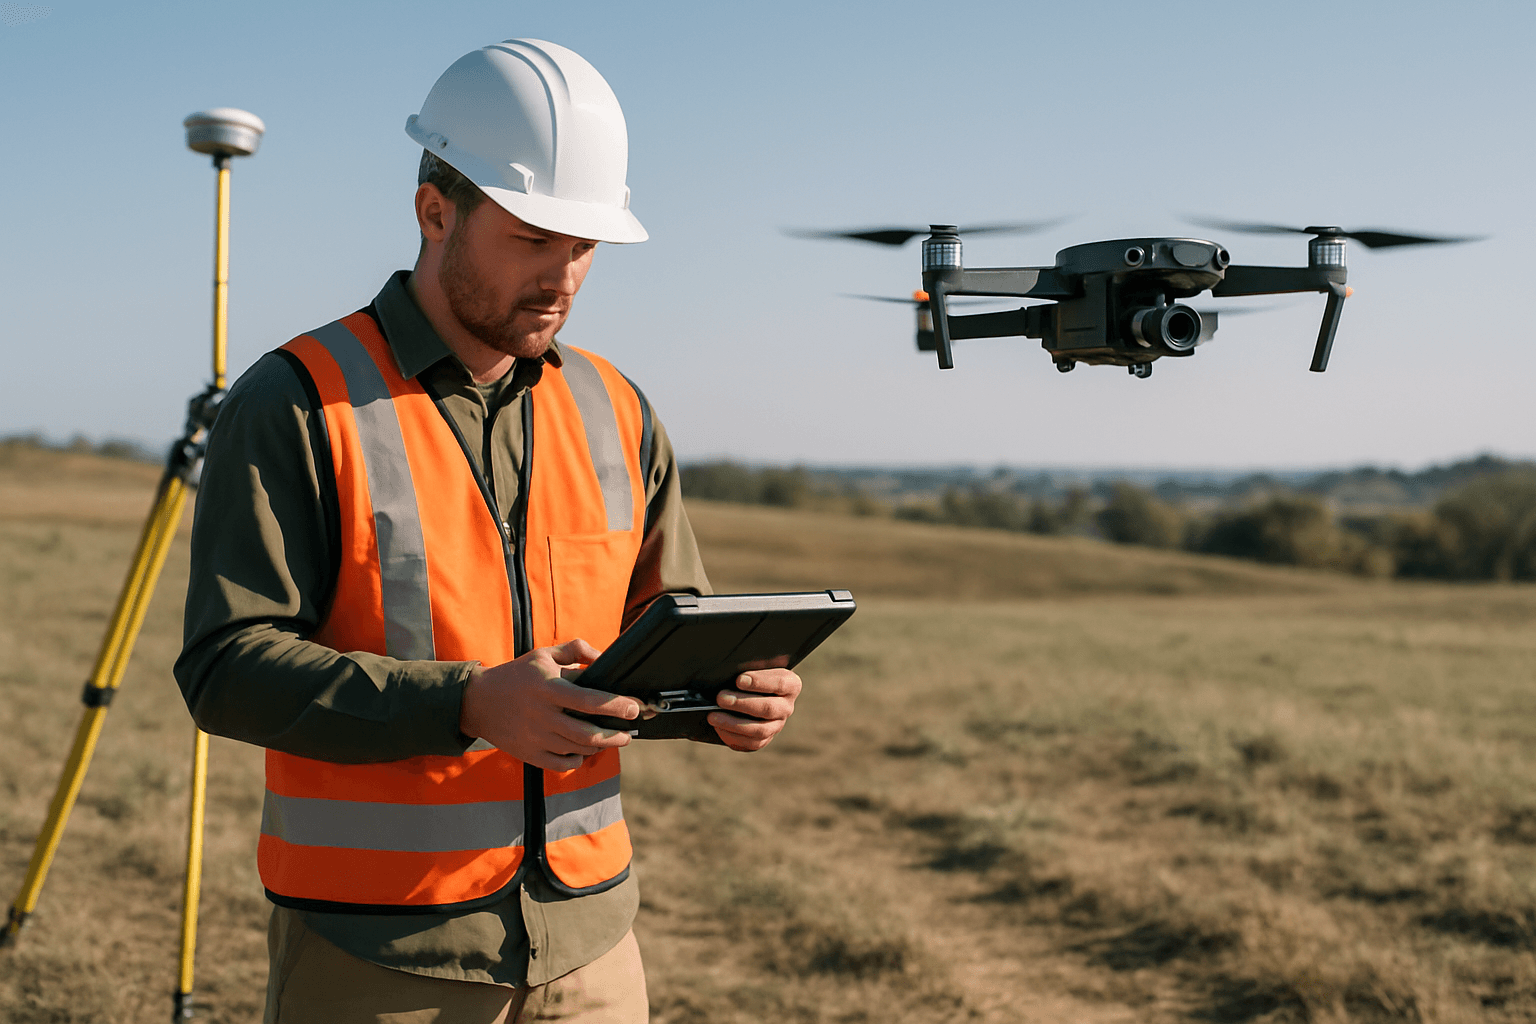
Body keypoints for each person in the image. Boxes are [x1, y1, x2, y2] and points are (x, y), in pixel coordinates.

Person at [175, 38, 801, 1024]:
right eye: (531, 239)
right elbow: (224, 669)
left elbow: (661, 633)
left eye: (583, 247)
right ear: (435, 212)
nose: (562, 277)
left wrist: (725, 698)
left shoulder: (618, 409)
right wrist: (466, 702)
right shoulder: (297, 401)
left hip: (593, 950)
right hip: (379, 955)